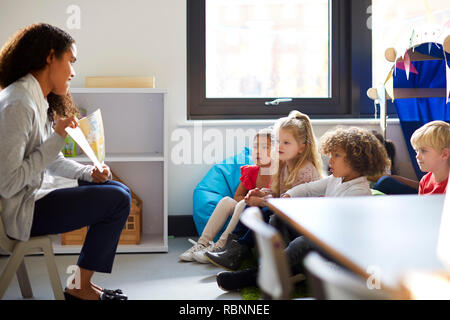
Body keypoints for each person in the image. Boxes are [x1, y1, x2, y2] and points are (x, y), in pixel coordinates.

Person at [0, 23, 131, 300]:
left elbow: (50, 160)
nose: (73, 71)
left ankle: (79, 285)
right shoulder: (18, 104)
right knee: (117, 200)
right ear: (50, 57)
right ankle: (79, 288)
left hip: (34, 198)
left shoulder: (35, 98)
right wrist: (56, 138)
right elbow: (7, 183)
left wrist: (87, 173)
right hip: (21, 212)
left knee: (119, 191)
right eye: (70, 61)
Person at [215, 126, 391, 291]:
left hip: (340, 249)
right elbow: (307, 188)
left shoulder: (358, 191)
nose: (330, 160)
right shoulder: (335, 179)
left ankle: (258, 276)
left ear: (356, 161)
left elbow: (333, 224)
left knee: (302, 242)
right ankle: (284, 269)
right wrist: (288, 196)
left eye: (336, 155)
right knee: (277, 218)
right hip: (326, 238)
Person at [205, 110, 323, 271]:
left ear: (301, 148)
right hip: (287, 215)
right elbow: (279, 195)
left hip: (302, 223)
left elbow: (291, 205)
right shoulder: (284, 165)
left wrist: (262, 201)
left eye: (286, 143)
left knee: (265, 211)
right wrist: (262, 193)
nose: (280, 146)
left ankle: (239, 250)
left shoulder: (305, 171)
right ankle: (235, 248)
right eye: (278, 141)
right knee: (251, 206)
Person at [179, 128, 274, 263]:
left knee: (242, 204)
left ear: (277, 151)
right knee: (226, 201)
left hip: (261, 215)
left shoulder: (278, 174)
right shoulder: (251, 171)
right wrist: (249, 200)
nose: (258, 151)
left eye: (265, 147)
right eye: (255, 146)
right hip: (245, 211)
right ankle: (202, 244)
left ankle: (220, 245)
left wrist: (256, 201)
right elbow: (238, 196)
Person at [410, 120, 450, 195]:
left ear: (444, 154)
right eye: (416, 150)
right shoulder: (425, 181)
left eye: (423, 151)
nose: (417, 156)